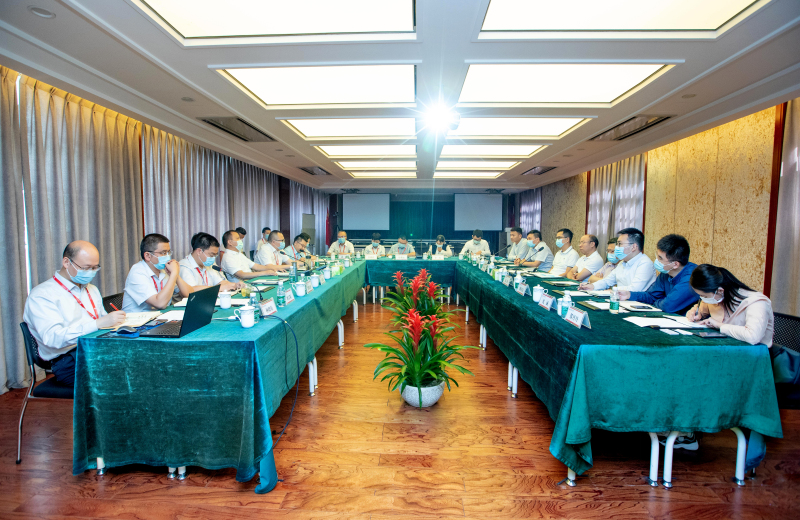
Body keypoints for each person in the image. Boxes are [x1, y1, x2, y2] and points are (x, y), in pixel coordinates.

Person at [23, 241, 126, 386]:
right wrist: (98, 324)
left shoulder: (91, 289)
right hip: (69, 359)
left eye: (95, 268)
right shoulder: (42, 295)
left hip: (96, 348)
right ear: (67, 262)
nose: (91, 272)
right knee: (124, 377)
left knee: (141, 362)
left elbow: (101, 320)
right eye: (86, 268)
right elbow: (53, 338)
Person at [616, 234, 698, 313]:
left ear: (675, 264)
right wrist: (629, 294)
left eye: (660, 258)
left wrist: (657, 302)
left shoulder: (692, 278)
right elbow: (652, 296)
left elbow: (667, 306)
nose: (656, 260)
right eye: (657, 255)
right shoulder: (666, 272)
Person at [122, 233, 193, 312]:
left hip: (160, 316)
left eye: (168, 252)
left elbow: (189, 294)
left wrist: (176, 275)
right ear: (148, 256)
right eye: (163, 253)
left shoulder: (164, 270)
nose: (168, 256)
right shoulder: (137, 272)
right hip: (137, 319)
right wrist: (173, 274)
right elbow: (160, 304)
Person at [580, 228, 656, 292]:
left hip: (637, 303)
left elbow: (634, 289)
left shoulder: (645, 263)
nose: (616, 247)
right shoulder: (622, 263)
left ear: (633, 247)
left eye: (620, 244)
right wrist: (592, 286)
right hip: (621, 300)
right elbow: (607, 281)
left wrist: (613, 290)